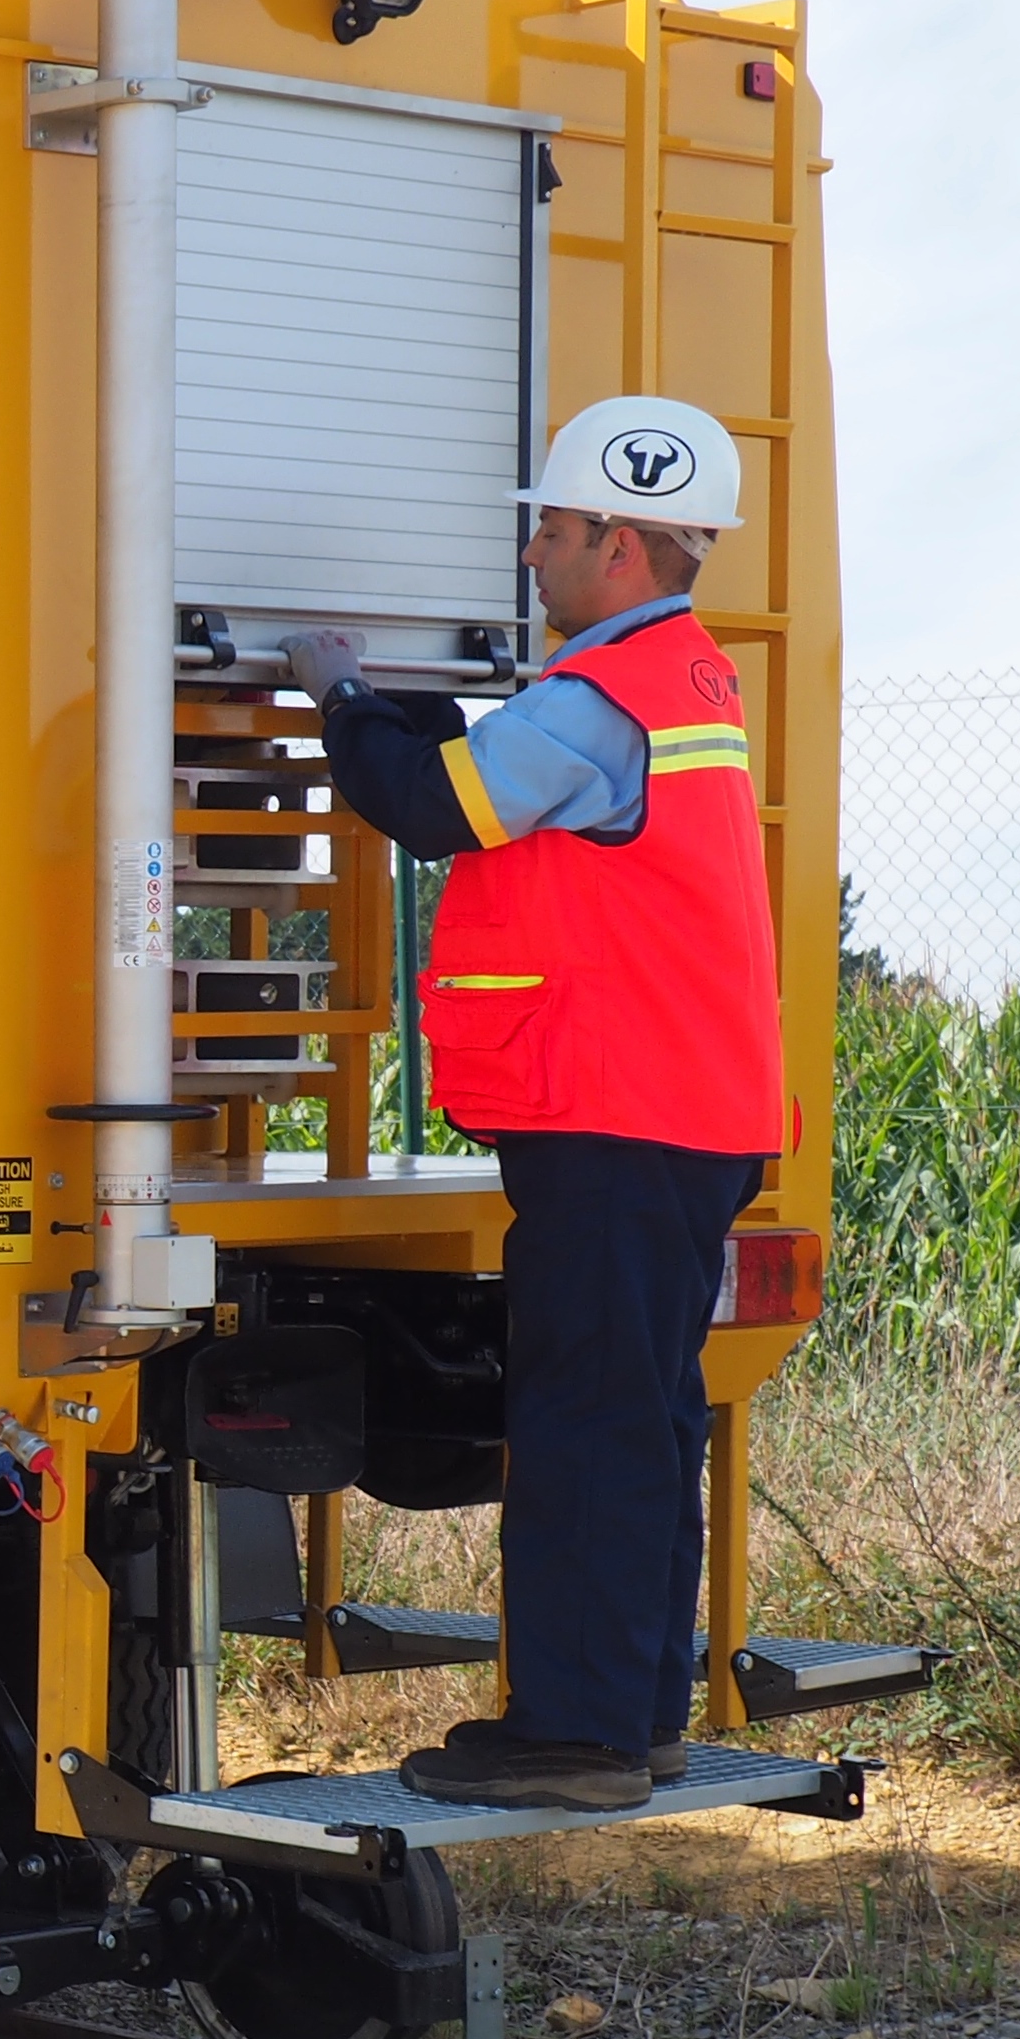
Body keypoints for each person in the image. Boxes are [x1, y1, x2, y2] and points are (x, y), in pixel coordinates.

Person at [279, 395, 787, 1813]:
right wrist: (409, 713)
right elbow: (491, 768)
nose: (532, 555)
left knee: (585, 1425)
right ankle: (634, 1717)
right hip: (683, 1114)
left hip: (619, 1115)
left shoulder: (599, 699)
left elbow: (439, 805)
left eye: (551, 531)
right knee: (643, 1419)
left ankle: (577, 1738)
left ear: (620, 545)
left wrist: (340, 698)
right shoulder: (680, 679)